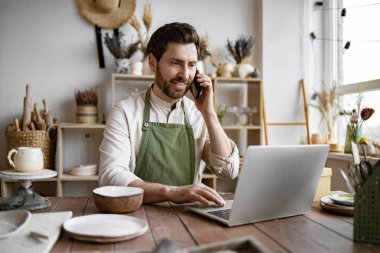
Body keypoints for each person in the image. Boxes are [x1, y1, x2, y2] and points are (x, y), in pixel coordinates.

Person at [99, 22, 240, 206]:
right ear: (152, 63)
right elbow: (111, 175)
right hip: (141, 214)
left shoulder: (199, 115)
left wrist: (209, 113)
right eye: (175, 63)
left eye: (191, 65)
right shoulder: (125, 112)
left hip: (189, 217)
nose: (185, 74)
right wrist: (171, 192)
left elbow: (229, 171)